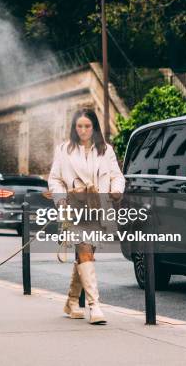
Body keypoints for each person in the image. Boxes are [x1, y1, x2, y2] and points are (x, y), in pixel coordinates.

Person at [48, 108, 125, 324]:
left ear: (94, 127)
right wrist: (62, 198)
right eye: (79, 126)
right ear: (74, 128)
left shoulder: (106, 150)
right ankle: (94, 306)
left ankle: (72, 301)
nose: (83, 130)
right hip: (74, 209)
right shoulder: (63, 150)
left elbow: (117, 175)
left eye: (87, 126)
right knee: (84, 251)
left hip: (98, 208)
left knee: (86, 257)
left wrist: (117, 190)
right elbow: (54, 179)